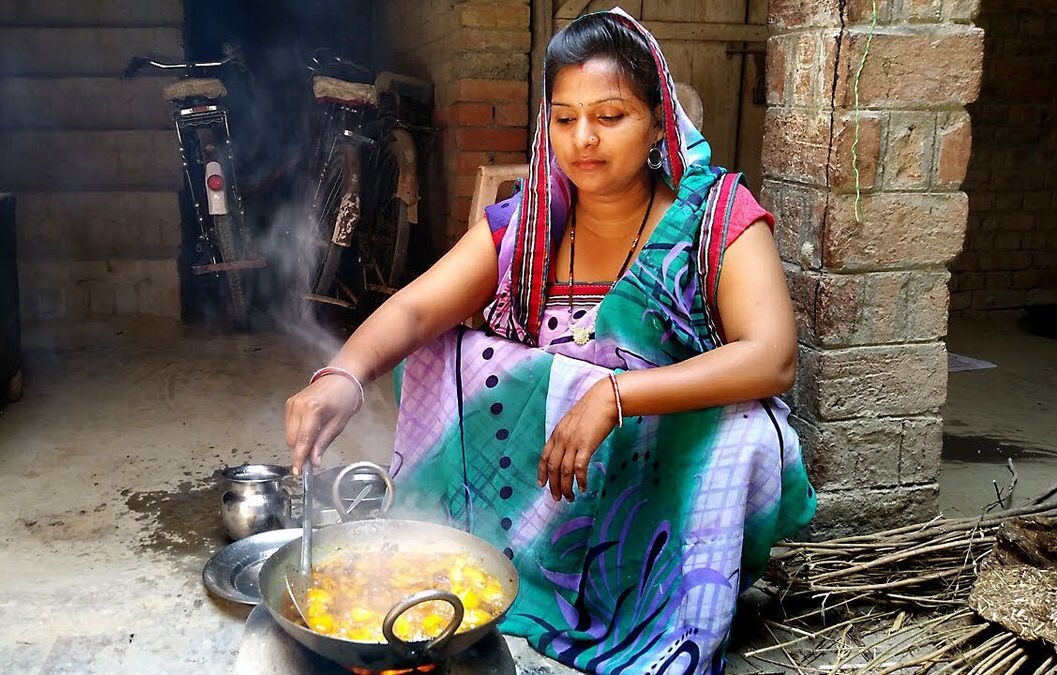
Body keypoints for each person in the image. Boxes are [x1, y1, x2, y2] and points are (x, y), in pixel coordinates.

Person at [284, 8, 816, 674]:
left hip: (667, 456)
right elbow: (419, 308)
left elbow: (773, 356)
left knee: (751, 435)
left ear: (657, 121)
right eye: (564, 118)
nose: (583, 139)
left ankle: (672, 596)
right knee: (441, 356)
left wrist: (613, 396)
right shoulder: (533, 222)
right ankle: (519, 564)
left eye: (610, 116)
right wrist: (341, 374)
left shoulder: (714, 215)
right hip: (555, 469)